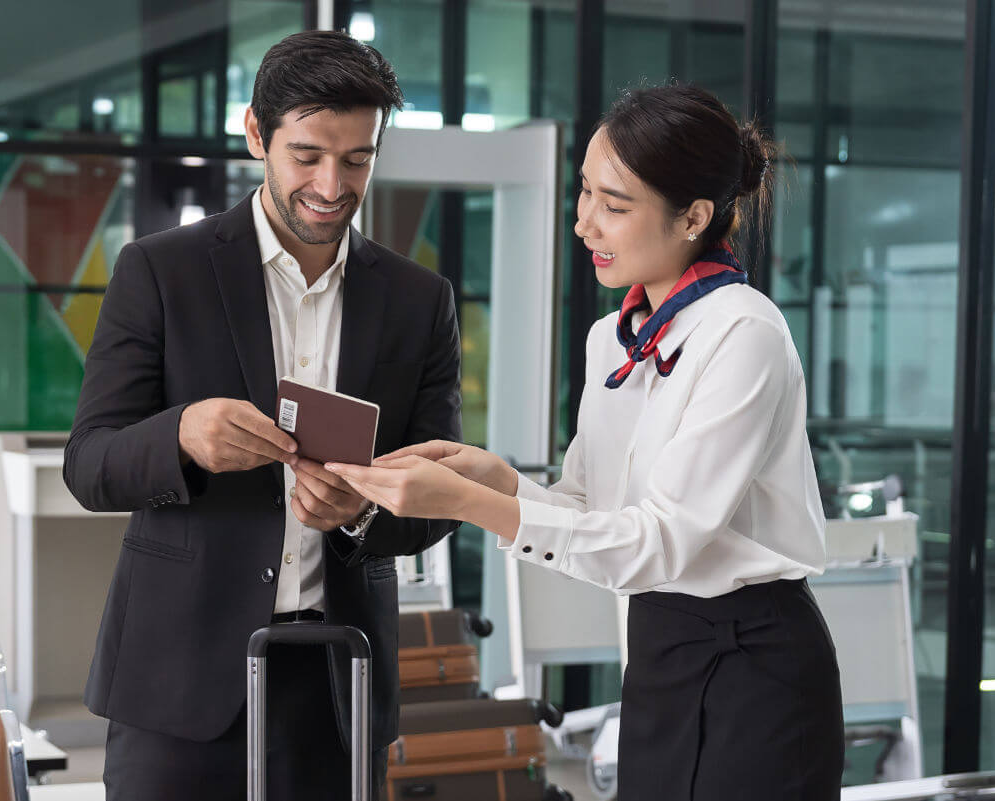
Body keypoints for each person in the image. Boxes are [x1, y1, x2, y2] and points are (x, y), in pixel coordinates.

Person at [329, 83, 845, 799]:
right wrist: (496, 481)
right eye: (584, 193)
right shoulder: (612, 338)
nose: (584, 224)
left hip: (754, 660)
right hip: (660, 649)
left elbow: (656, 542)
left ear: (694, 216)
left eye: (614, 205)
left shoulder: (744, 333)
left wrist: (473, 506)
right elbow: (589, 507)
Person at [62, 30, 462, 801]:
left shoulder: (420, 302)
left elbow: (437, 495)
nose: (331, 183)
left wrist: (360, 513)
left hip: (337, 681)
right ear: (256, 133)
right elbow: (91, 461)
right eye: (307, 154)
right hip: (176, 677)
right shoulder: (160, 271)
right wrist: (180, 436)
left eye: (357, 160)